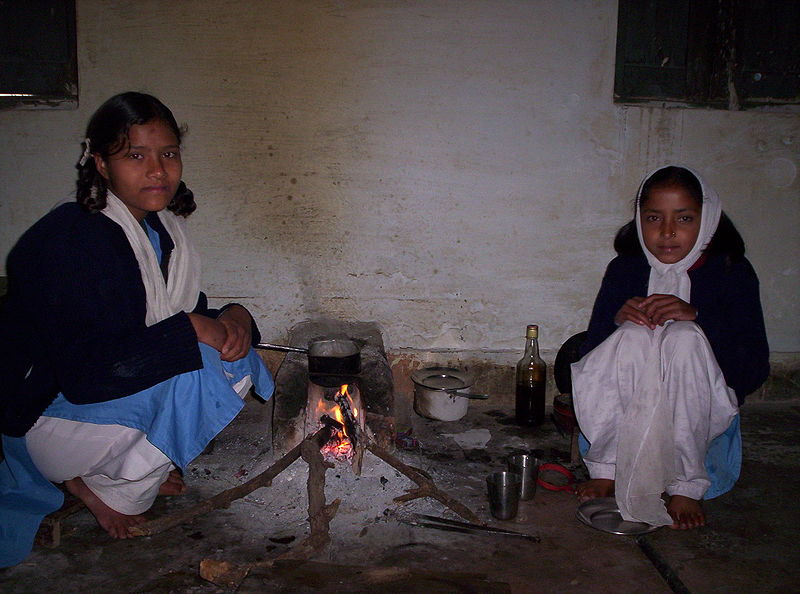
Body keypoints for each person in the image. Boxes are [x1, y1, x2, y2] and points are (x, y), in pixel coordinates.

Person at [0, 92, 274, 566]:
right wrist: (192, 328)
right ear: (101, 164)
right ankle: (108, 488)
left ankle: (124, 468)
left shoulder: (159, 230)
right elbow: (89, 375)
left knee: (233, 353)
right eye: (135, 155)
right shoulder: (73, 238)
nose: (157, 170)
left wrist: (235, 317)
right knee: (202, 369)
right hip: (38, 417)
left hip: (84, 406)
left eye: (168, 154)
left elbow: (182, 311)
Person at [570, 165, 769, 530]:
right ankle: (609, 465)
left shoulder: (731, 271)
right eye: (653, 218)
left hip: (699, 405)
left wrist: (698, 318)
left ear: (708, 218)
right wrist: (616, 320)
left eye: (685, 218)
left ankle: (686, 482)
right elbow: (589, 355)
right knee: (631, 335)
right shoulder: (625, 269)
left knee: (683, 337)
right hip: (630, 402)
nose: (666, 232)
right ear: (639, 220)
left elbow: (753, 368)